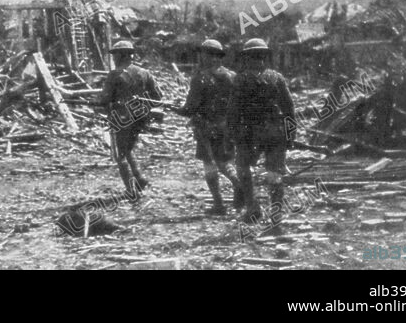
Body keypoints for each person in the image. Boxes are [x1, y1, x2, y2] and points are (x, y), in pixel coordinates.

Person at [227, 38, 295, 223]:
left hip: (248, 132)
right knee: (274, 173)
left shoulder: (240, 79)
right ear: (264, 57)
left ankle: (253, 208)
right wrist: (290, 136)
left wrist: (231, 135)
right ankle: (276, 214)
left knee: (243, 168)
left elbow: (233, 111)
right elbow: (289, 108)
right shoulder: (277, 77)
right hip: (275, 131)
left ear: (246, 58)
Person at [177, 39, 242, 215]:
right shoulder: (233, 76)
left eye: (203, 54)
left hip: (206, 128)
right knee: (227, 162)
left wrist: (178, 110)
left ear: (207, 56)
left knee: (210, 164)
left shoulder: (200, 79)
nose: (201, 58)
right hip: (228, 127)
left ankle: (220, 203)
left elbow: (190, 108)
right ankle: (237, 189)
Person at [96, 40, 163, 199]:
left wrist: (102, 104)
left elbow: (104, 99)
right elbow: (158, 96)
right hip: (141, 118)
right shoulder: (144, 73)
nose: (114, 58)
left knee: (120, 154)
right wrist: (140, 103)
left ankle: (131, 190)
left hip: (121, 117)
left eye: (115, 55)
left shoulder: (114, 75)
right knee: (127, 149)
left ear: (122, 55)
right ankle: (140, 179)